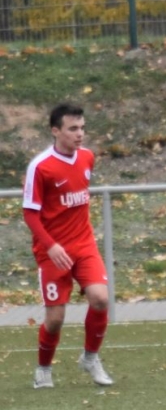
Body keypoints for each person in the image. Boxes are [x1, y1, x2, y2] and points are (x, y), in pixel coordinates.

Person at [23, 103, 113, 389]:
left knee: (100, 299)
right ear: (55, 131)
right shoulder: (41, 166)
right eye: (73, 129)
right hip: (52, 252)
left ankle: (90, 358)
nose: (80, 134)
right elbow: (30, 213)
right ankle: (43, 370)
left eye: (82, 128)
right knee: (55, 318)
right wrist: (51, 246)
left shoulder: (87, 157)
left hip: (84, 245)